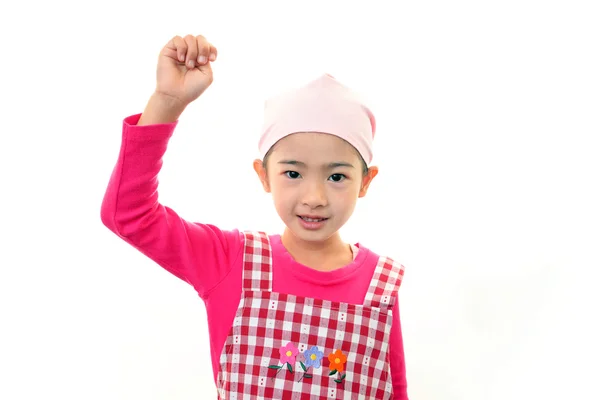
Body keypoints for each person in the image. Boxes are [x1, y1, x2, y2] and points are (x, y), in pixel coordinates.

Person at [101, 33, 409, 399]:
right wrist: (166, 103)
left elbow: (396, 392)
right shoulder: (231, 260)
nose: (315, 198)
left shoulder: (382, 286)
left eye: (337, 176)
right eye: (293, 173)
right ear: (263, 175)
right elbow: (128, 214)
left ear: (366, 181)